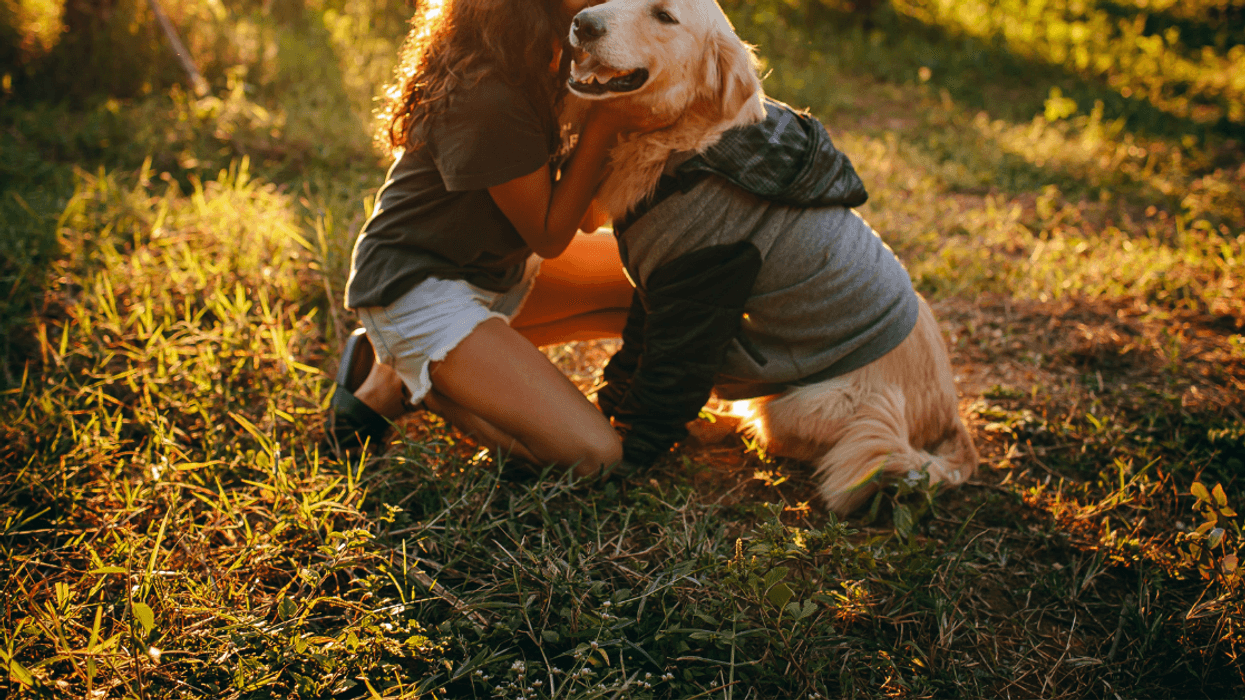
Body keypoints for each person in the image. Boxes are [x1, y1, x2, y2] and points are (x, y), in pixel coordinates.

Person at [330, 0, 651, 477]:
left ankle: (407, 372)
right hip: (415, 286)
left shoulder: (549, 56)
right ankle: (414, 382)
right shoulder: (488, 89)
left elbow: (586, 217)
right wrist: (605, 122)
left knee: (655, 284)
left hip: (496, 270)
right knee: (595, 458)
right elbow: (548, 235)